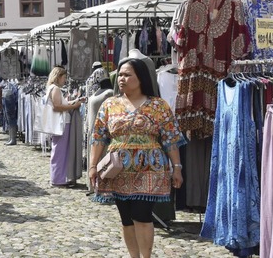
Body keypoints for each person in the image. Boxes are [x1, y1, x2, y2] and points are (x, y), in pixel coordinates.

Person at [89, 58, 186, 258]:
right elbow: (98, 137)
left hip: (150, 168)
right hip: (118, 170)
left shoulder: (158, 106)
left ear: (140, 78)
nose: (121, 79)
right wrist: (92, 166)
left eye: (127, 75)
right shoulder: (110, 105)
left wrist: (177, 167)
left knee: (142, 215)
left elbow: (170, 138)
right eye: (120, 75)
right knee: (126, 218)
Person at [45, 66, 85, 187]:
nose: (65, 80)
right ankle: (58, 178)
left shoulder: (52, 88)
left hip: (60, 123)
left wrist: (75, 101)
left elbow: (60, 104)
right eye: (64, 77)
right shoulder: (55, 89)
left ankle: (59, 177)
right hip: (62, 123)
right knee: (60, 151)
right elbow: (57, 106)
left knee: (59, 150)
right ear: (59, 77)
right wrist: (73, 106)